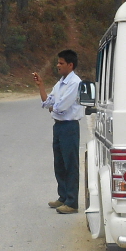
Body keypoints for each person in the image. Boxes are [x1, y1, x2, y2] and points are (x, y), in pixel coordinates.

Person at [32, 50, 83, 215]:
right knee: (59, 164)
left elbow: (60, 107)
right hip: (59, 126)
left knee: (70, 165)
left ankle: (72, 202)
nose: (58, 66)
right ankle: (63, 197)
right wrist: (41, 86)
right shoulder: (60, 83)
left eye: (61, 63)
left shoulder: (75, 83)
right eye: (58, 62)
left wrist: (53, 108)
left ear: (70, 65)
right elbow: (48, 102)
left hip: (69, 127)